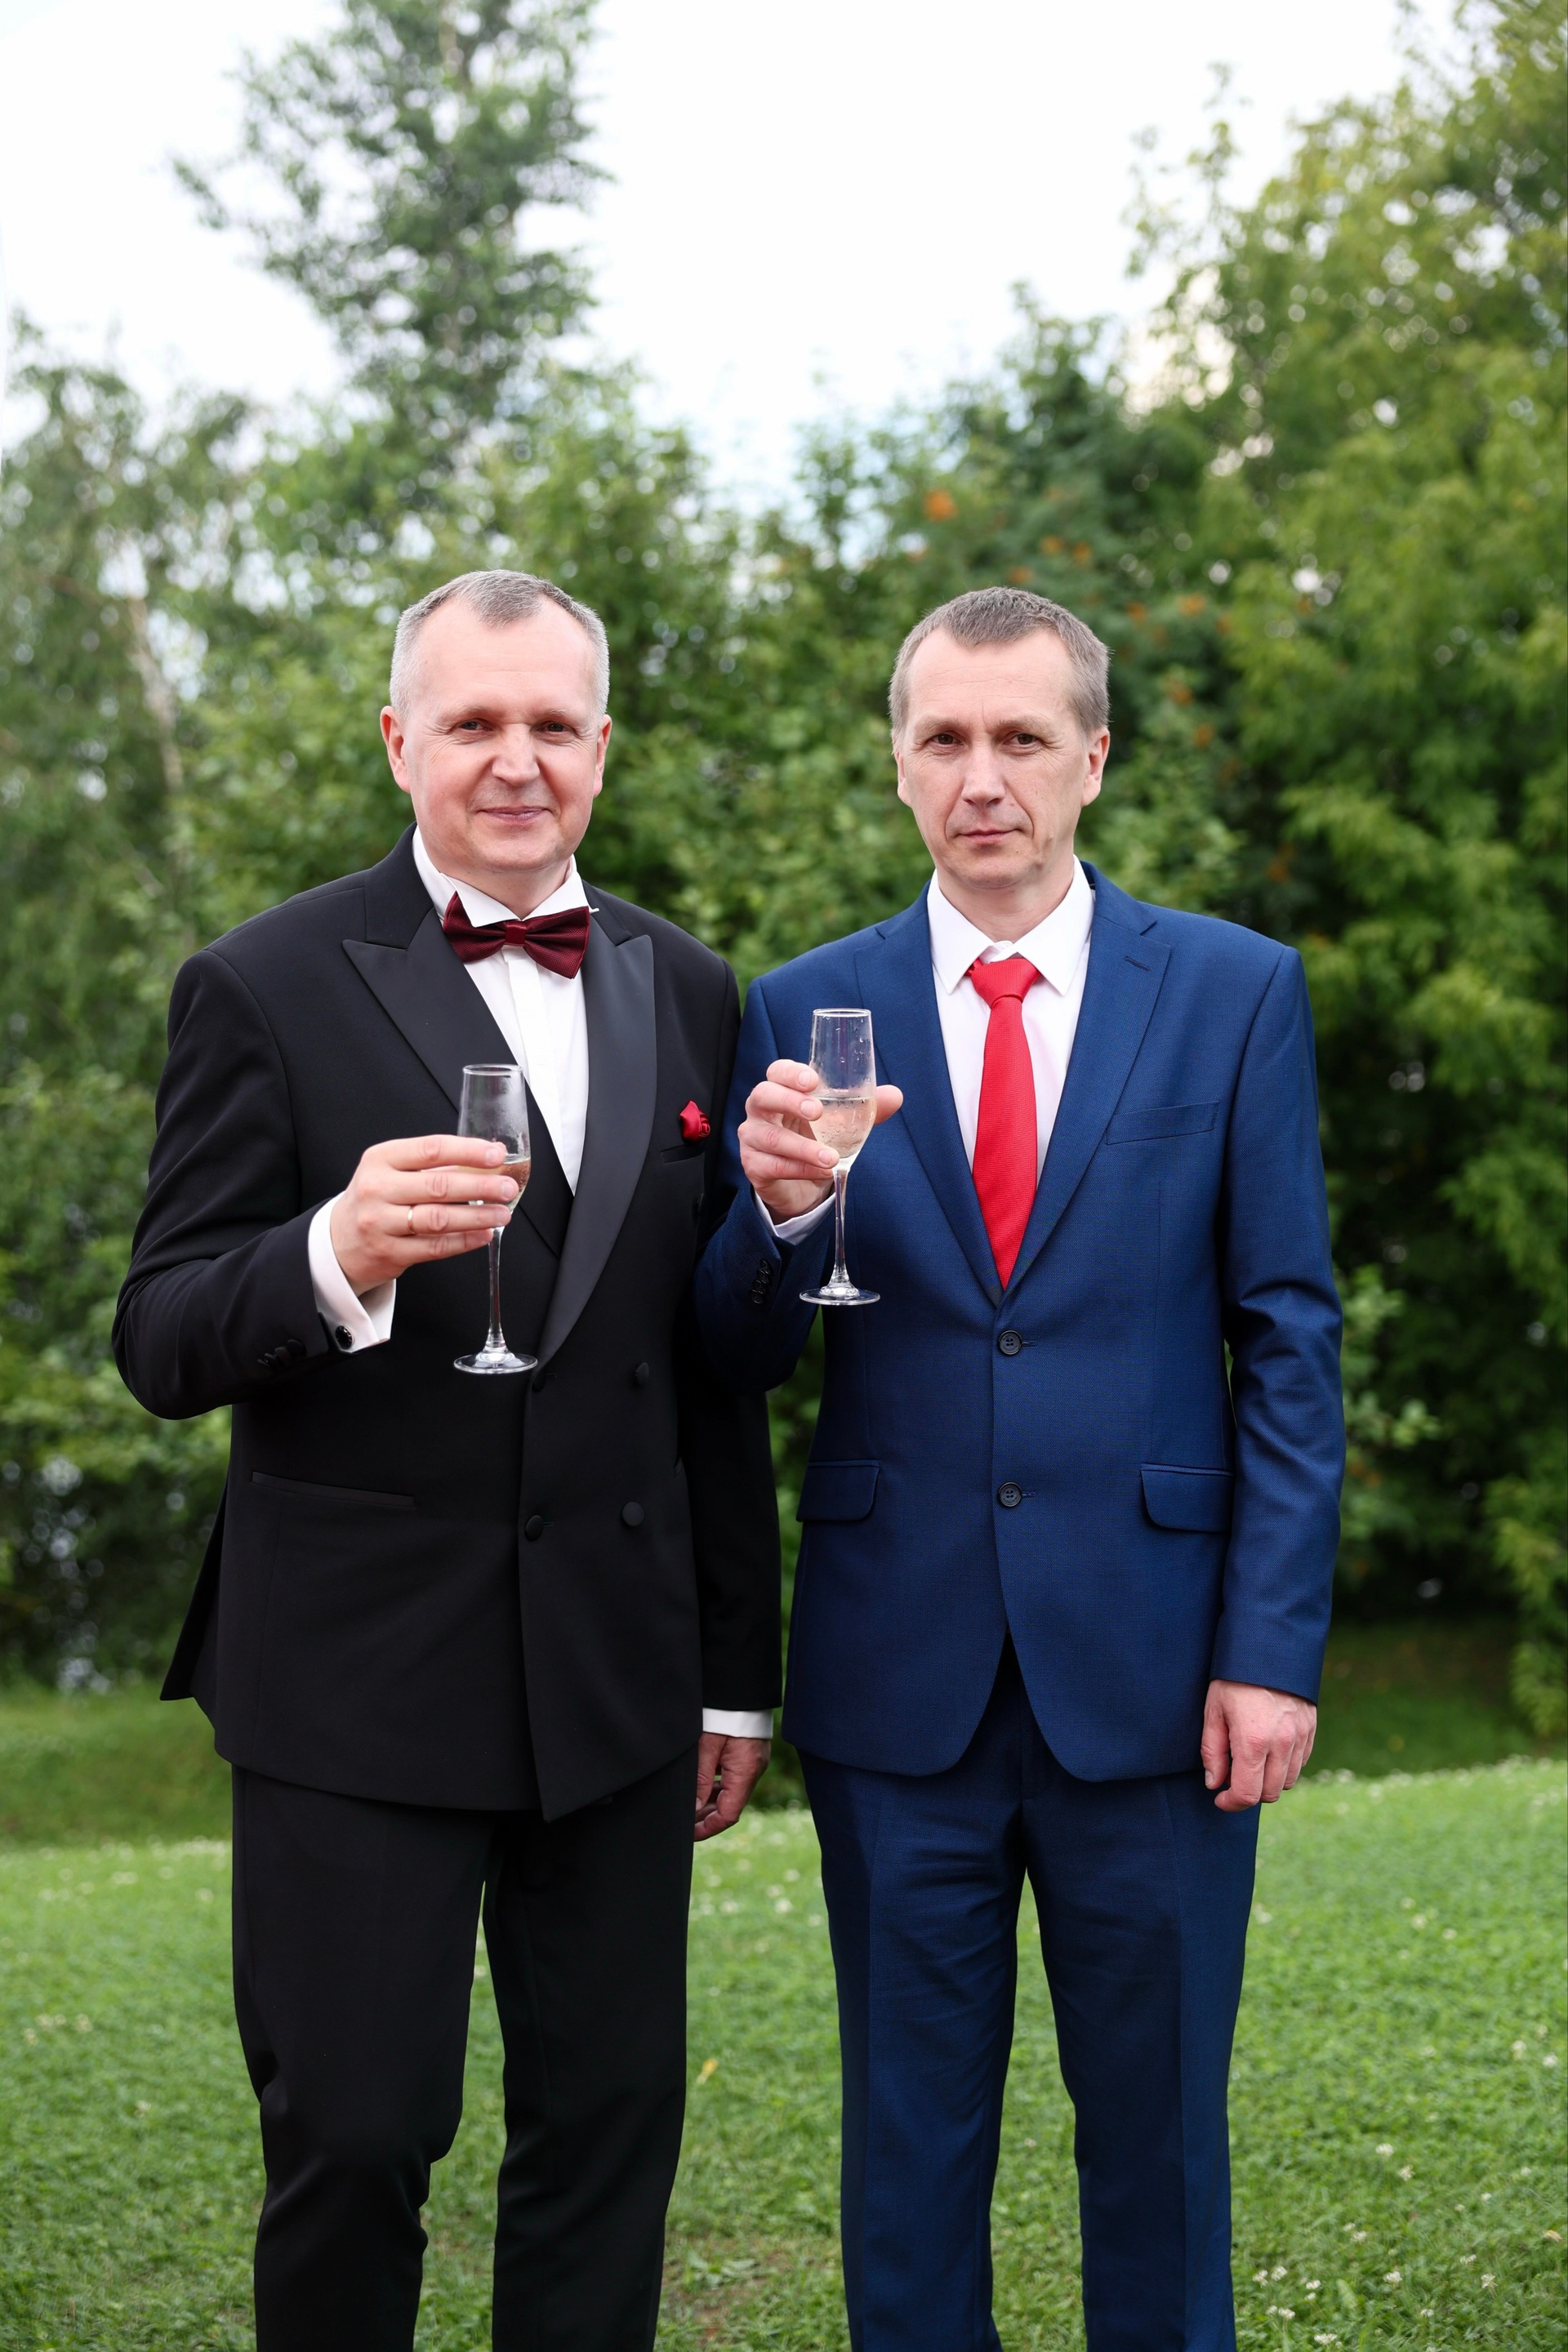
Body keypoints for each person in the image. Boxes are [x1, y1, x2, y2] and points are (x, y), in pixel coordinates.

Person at [113, 569, 780, 2352]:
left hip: (617, 1676)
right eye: (475, 721)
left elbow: (703, 1372)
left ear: (603, 749)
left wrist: (733, 1671)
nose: (515, 759)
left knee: (610, 2133)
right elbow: (161, 1336)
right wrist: (330, 1252)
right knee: (353, 2137)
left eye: (552, 723)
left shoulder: (689, 984)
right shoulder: (259, 983)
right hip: (355, 1680)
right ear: (401, 740)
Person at [694, 585, 1343, 2352]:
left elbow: (1288, 1339)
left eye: (1021, 738)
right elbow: (733, 1353)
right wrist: (776, 1218)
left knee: (1161, 2149)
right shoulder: (803, 1004)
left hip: (1160, 1676)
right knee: (908, 2155)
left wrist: (1271, 1648)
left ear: (1094, 759)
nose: (983, 777)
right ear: (900, 765)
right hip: (897, 1677)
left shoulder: (1232, 993)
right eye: (945, 740)